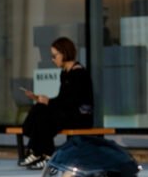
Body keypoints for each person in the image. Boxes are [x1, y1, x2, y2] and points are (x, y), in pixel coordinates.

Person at [19, 36, 94, 169]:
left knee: (44, 113)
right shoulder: (64, 73)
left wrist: (48, 101)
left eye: (54, 56)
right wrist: (39, 99)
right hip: (67, 113)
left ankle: (39, 151)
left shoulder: (78, 73)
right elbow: (62, 100)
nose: (53, 59)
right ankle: (42, 153)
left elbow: (71, 102)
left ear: (64, 53)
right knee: (41, 109)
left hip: (80, 116)